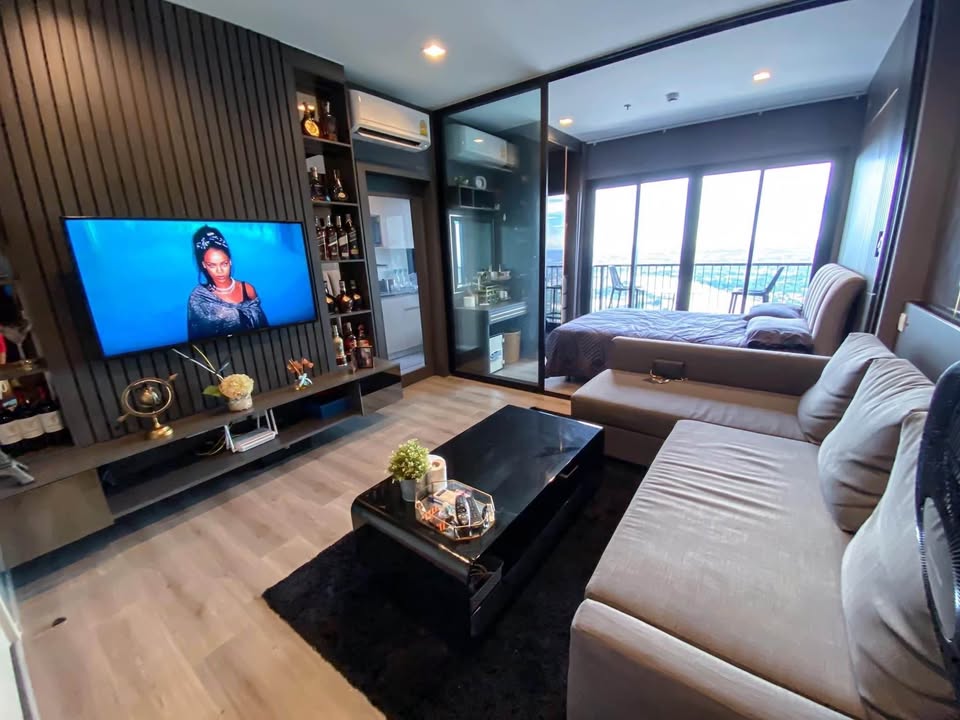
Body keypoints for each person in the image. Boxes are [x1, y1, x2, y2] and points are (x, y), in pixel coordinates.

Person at [187, 226, 268, 340]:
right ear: (204, 265)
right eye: (212, 265)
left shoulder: (248, 289)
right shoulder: (199, 298)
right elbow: (197, 338)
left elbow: (265, 329)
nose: (219, 271)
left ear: (230, 261)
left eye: (224, 264)